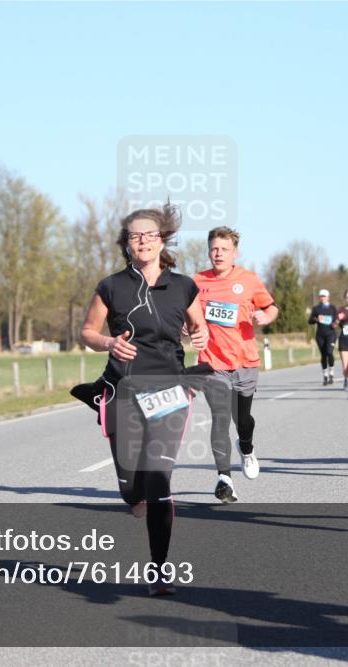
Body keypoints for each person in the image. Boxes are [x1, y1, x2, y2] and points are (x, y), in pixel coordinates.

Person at [78, 203, 210, 596]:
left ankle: (159, 570)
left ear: (162, 240)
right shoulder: (111, 286)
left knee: (158, 479)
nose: (143, 241)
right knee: (130, 485)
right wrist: (108, 342)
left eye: (150, 235)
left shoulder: (184, 285)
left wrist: (199, 337)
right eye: (136, 236)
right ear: (126, 244)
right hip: (123, 392)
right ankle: (132, 494)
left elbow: (198, 326)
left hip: (170, 391)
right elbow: (87, 331)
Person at [193, 226, 278, 502]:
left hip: (245, 361)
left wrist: (267, 316)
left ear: (234, 253)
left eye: (224, 249)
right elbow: (187, 315)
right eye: (214, 249)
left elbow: (271, 307)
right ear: (209, 251)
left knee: (242, 420)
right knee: (220, 418)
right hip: (211, 363)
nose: (218, 254)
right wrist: (188, 327)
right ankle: (224, 479)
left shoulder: (249, 280)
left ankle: (247, 447)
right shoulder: (196, 282)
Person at [309, 289, 338, 385]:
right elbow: (310, 321)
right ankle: (325, 376)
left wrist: (335, 323)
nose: (323, 298)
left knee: (329, 352)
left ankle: (331, 373)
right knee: (324, 355)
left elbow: (337, 319)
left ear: (328, 297)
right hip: (320, 335)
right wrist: (316, 319)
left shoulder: (333, 308)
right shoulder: (316, 308)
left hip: (331, 334)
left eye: (324, 296)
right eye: (321, 296)